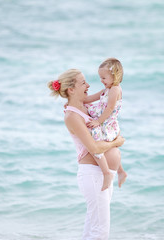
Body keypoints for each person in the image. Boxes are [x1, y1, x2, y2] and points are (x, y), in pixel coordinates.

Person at [48, 69, 125, 240]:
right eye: (83, 83)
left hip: (101, 174)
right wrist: (116, 143)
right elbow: (95, 148)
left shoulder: (85, 107)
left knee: (93, 226)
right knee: (100, 230)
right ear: (71, 90)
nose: (88, 85)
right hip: (93, 174)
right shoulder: (72, 116)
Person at [85, 58, 127, 188]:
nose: (101, 81)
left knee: (95, 142)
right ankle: (121, 171)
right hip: (104, 119)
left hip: (107, 123)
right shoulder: (108, 89)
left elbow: (109, 108)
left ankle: (106, 172)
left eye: (103, 78)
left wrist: (98, 121)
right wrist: (74, 101)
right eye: (100, 78)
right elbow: (91, 98)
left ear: (114, 75)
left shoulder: (115, 89)